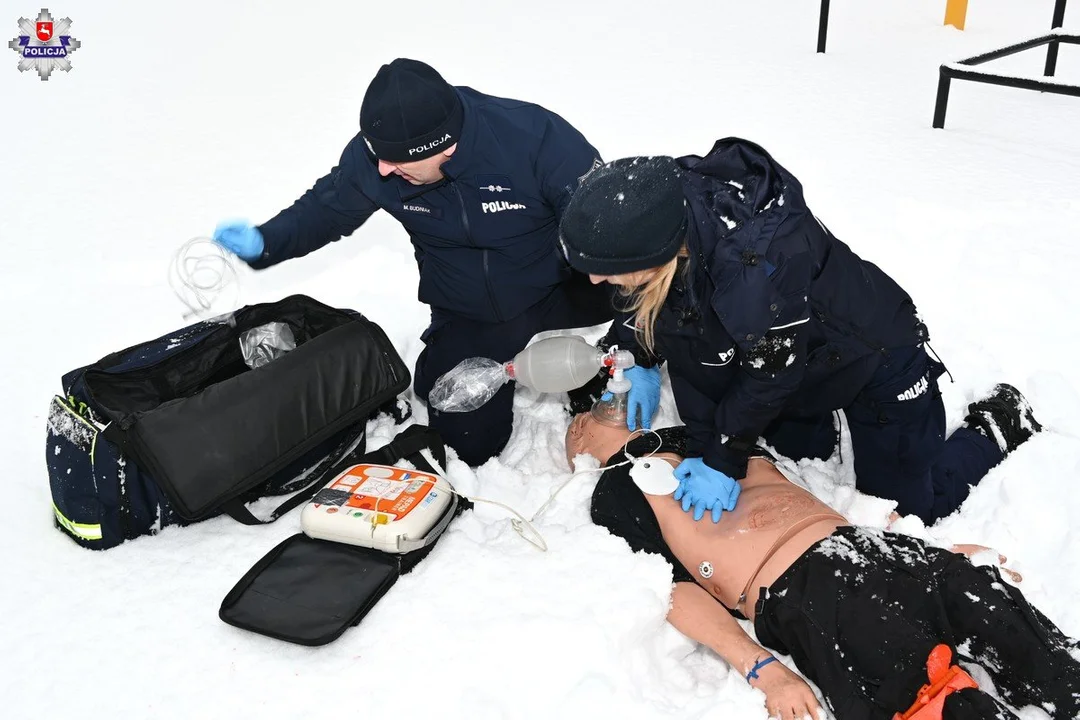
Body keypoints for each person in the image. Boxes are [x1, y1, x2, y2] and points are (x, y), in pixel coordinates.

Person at [560, 140, 1042, 525]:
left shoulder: (755, 272)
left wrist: (722, 458)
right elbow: (666, 313)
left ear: (661, 252)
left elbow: (768, 378)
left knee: (907, 509)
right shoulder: (659, 213)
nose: (595, 282)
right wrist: (637, 354)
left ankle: (998, 422)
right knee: (793, 452)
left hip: (870, 353)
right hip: (795, 355)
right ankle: (818, 424)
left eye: (607, 270)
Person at [211, 58, 612, 465]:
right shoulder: (376, 159)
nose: (384, 168)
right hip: (475, 308)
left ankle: (615, 359)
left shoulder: (533, 138)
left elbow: (609, 226)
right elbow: (327, 209)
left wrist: (636, 344)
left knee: (649, 290)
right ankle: (443, 357)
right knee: (466, 444)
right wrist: (267, 242)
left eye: (397, 159)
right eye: (379, 156)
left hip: (566, 282)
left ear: (444, 145)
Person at [565, 408, 1079, 720]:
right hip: (807, 589)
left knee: (1013, 630)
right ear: (577, 446)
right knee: (932, 699)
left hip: (870, 551)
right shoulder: (613, 490)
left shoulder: (710, 427)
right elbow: (674, 592)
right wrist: (765, 671)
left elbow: (800, 505)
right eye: (583, 417)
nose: (599, 411)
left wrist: (930, 550)